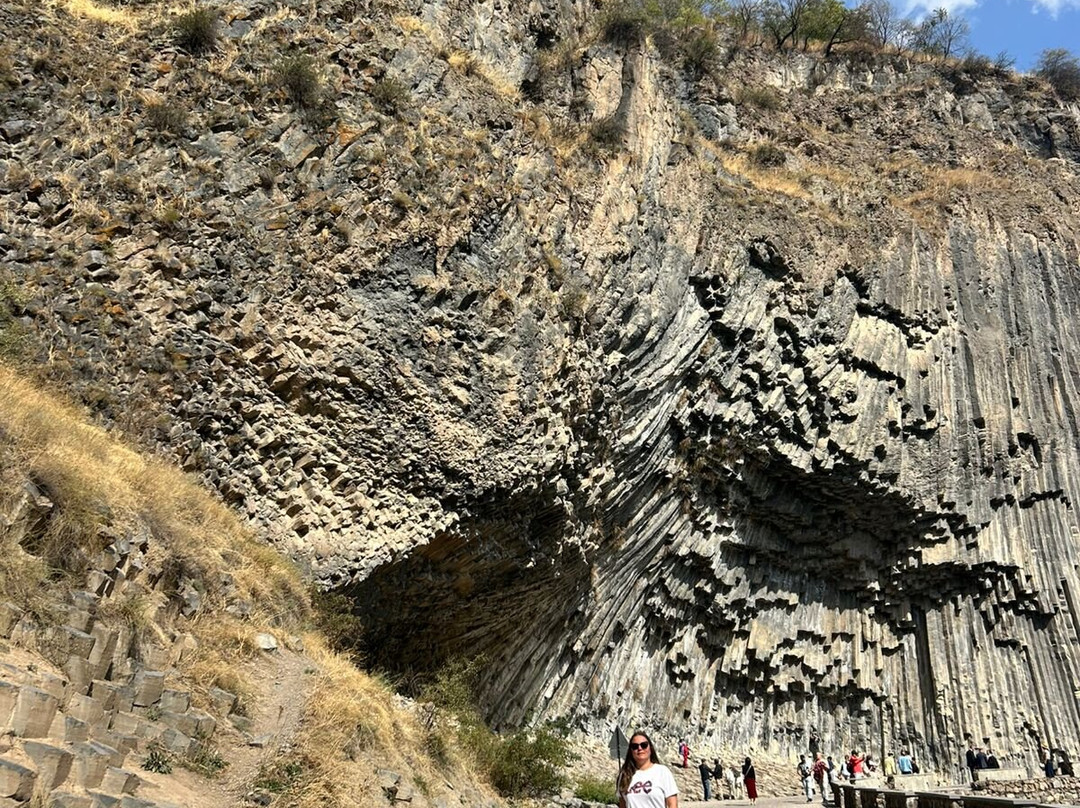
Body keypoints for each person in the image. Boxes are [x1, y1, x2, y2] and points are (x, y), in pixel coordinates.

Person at [617, 731, 679, 808]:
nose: (639, 748)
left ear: (650, 748)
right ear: (631, 751)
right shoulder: (624, 775)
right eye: (635, 746)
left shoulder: (662, 772)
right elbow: (622, 805)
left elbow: (672, 804)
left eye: (644, 745)